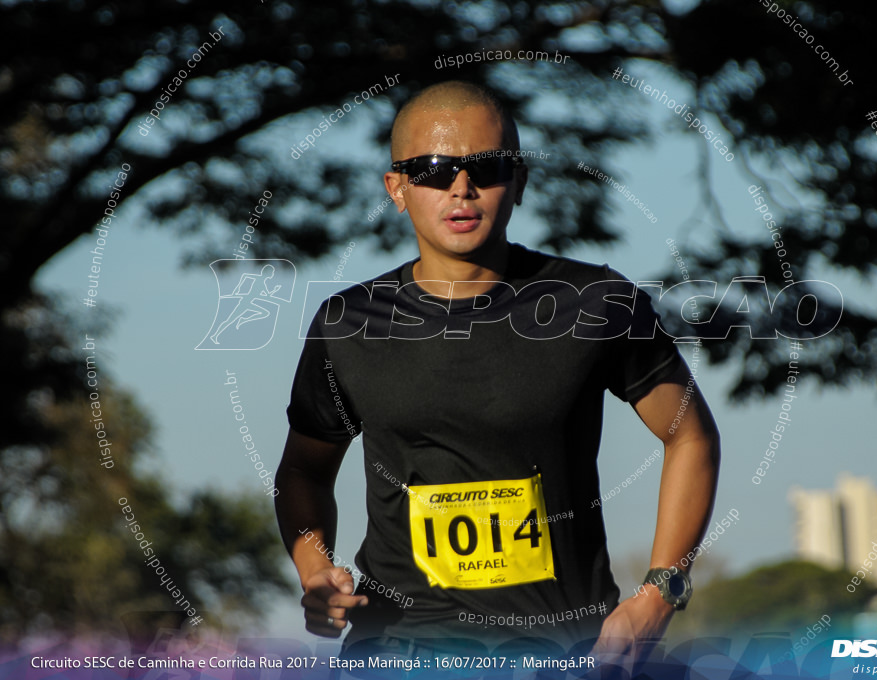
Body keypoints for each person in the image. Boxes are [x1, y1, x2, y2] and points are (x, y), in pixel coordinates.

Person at [274, 80, 721, 670]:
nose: (461, 187)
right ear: (397, 188)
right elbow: (304, 470)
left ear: (520, 183)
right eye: (433, 169)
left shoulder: (594, 301)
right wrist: (315, 572)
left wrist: (661, 592)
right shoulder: (348, 324)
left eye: (486, 167)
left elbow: (690, 434)